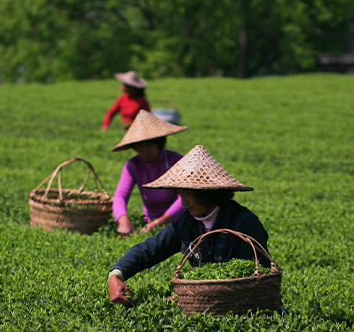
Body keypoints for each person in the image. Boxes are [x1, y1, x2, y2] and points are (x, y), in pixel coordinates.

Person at [108, 144, 271, 307]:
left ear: (207, 192)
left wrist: (194, 293)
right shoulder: (188, 221)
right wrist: (116, 275)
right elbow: (151, 249)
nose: (183, 201)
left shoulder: (244, 223)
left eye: (188, 194)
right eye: (180, 194)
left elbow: (252, 279)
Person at [111, 109, 189, 235]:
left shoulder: (176, 161)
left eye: (150, 146)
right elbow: (121, 194)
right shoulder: (133, 165)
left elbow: (186, 196)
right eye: (140, 148)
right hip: (149, 221)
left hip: (181, 220)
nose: (145, 151)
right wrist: (123, 220)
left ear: (160, 143)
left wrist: (162, 221)